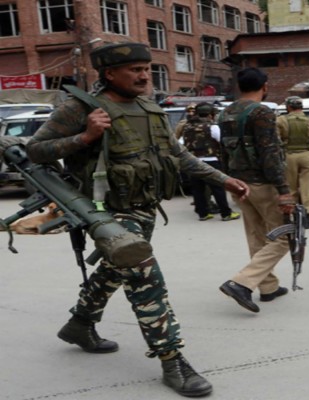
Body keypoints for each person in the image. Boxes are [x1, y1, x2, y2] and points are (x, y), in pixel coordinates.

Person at [24, 42, 250, 398]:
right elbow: (35, 150)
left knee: (116, 269)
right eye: (135, 69)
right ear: (110, 73)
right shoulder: (79, 107)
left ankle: (80, 325)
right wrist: (85, 136)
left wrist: (223, 180)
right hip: (104, 210)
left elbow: (177, 155)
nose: (144, 75)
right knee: (144, 276)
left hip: (144, 208)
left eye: (147, 68)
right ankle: (171, 359)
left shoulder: (149, 106)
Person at [217, 67, 295, 313]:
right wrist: (283, 189)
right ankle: (242, 283)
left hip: (238, 183)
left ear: (240, 87)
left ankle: (269, 286)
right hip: (263, 184)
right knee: (285, 237)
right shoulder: (262, 111)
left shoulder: (226, 112)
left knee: (257, 236)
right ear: (265, 86)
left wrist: (228, 180)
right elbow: (270, 153)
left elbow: (223, 151)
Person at [181, 102, 240, 221]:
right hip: (211, 160)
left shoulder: (187, 127)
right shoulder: (212, 126)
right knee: (218, 187)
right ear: (210, 114)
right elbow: (221, 141)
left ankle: (203, 214)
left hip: (194, 162)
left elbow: (181, 143)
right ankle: (226, 213)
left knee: (198, 189)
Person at [276, 96, 309, 228]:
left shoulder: (281, 120)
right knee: (308, 187)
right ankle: (307, 218)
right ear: (301, 106)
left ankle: (292, 217)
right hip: (307, 155)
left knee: (290, 187)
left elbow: (275, 139)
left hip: (288, 156)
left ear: (288, 107)